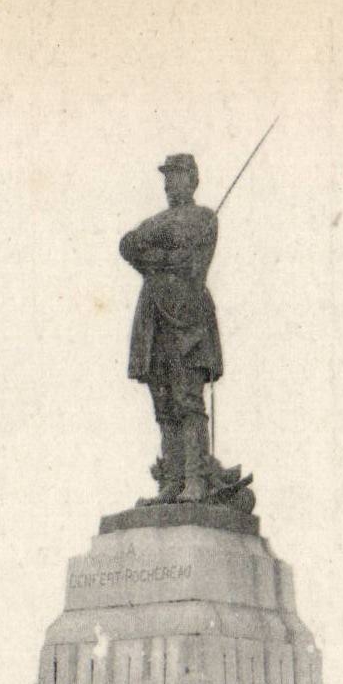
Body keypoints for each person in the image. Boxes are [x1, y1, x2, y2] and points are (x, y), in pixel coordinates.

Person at [120, 154, 233, 503]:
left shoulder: (203, 218)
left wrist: (153, 251)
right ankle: (171, 481)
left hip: (188, 321)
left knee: (187, 400)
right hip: (154, 320)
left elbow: (185, 257)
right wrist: (159, 249)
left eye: (177, 176)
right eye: (167, 178)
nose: (170, 184)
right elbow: (127, 244)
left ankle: (195, 480)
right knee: (163, 402)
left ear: (193, 180)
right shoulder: (159, 220)